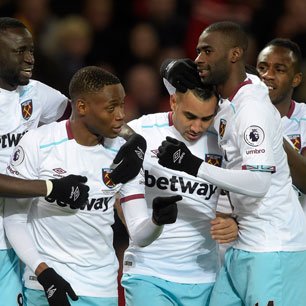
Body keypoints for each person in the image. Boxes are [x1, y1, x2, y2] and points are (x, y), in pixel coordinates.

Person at [4, 66, 182, 306]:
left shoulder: (125, 154)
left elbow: (139, 236)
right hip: (44, 285)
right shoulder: (38, 143)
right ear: (82, 107)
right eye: (111, 108)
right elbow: (14, 220)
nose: (121, 114)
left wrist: (157, 222)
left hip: (100, 288)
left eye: (121, 105)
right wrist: (43, 273)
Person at [158, 21, 306, 306]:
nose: (200, 59)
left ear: (235, 54)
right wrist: (171, 67)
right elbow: (176, 88)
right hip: (243, 245)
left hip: (273, 248)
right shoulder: (231, 99)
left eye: (208, 52)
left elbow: (259, 182)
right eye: (199, 52)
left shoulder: (252, 111)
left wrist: (191, 165)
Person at [0, 16, 144, 305]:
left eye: (32, 50)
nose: (30, 59)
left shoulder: (36, 93)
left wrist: (134, 139)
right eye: (20, 51)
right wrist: (51, 188)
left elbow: (86, 110)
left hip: (18, 232)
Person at [118, 80, 238, 306]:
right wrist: (142, 228)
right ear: (173, 101)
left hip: (205, 276)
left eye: (206, 119)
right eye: (190, 116)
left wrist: (235, 223)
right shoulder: (140, 132)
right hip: (148, 272)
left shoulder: (223, 140)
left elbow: (241, 195)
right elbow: (118, 193)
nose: (196, 127)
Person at [256, 38, 306, 201]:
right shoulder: (236, 114)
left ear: (296, 79)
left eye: (279, 70)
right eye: (262, 67)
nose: (267, 75)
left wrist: (268, 127)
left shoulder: (303, 117)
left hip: (294, 224)